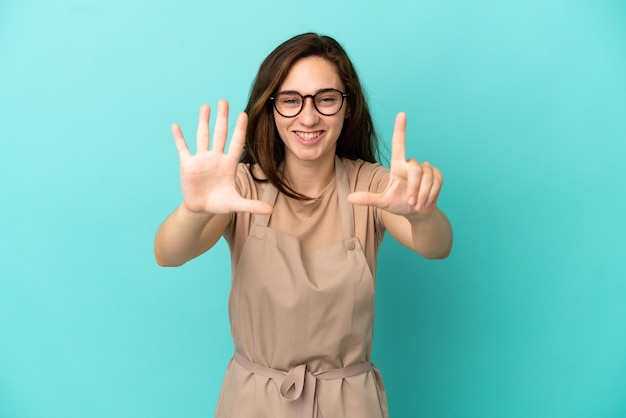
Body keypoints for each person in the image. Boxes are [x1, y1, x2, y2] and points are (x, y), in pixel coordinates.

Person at [154, 32, 452, 418]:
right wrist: (194, 211)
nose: (308, 117)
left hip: (349, 404)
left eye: (326, 99)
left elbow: (436, 246)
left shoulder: (374, 187)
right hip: (253, 403)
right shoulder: (241, 188)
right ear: (271, 108)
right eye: (291, 101)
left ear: (348, 107)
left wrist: (422, 213)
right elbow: (168, 254)